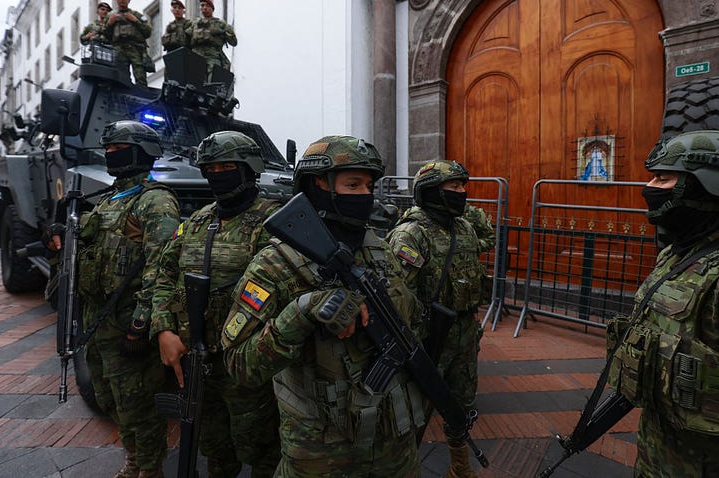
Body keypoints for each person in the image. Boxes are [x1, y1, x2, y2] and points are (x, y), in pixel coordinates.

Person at [221, 135, 425, 476]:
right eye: (353, 184)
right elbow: (240, 364)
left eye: (369, 186)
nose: (364, 195)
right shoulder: (276, 263)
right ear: (318, 186)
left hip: (393, 442)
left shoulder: (378, 249)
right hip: (321, 450)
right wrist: (301, 311)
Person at [607, 130, 719, 476]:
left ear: (709, 186)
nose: (648, 188)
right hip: (659, 457)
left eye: (662, 178)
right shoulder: (679, 256)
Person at [48, 121, 180, 478]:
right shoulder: (108, 200)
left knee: (137, 402)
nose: (111, 156)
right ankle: (134, 459)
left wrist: (141, 324)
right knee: (109, 398)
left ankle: (150, 469)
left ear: (141, 154)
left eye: (118, 150)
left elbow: (163, 265)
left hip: (127, 318)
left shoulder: (155, 201)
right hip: (97, 317)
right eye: (108, 150)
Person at [148, 131, 282, 477]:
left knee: (264, 448)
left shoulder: (274, 222)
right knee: (215, 449)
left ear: (249, 168)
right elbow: (164, 274)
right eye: (211, 168)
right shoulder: (197, 222)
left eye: (227, 166)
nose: (217, 174)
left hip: (250, 366)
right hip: (199, 362)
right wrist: (163, 327)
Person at [386, 160, 484, 478]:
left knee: (461, 403)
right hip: (430, 338)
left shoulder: (465, 228)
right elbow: (398, 296)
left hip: (466, 332)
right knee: (416, 410)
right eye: (454, 187)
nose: (462, 193)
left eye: (462, 186)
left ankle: (459, 465)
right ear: (430, 191)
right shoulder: (410, 234)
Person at [106, 0, 152, 86]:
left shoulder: (137, 15)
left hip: (135, 49)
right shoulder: (110, 16)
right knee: (121, 78)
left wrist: (135, 20)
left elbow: (148, 32)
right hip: (119, 50)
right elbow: (105, 36)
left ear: (128, 0)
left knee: (140, 78)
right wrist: (110, 23)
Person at [185, 0, 237, 81]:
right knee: (194, 80)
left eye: (207, 6)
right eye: (202, 5)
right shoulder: (194, 24)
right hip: (196, 56)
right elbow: (185, 40)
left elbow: (234, 42)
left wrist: (224, 33)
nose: (204, 8)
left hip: (212, 56)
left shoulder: (220, 23)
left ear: (212, 9)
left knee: (213, 80)